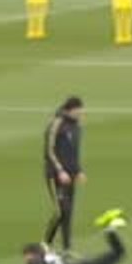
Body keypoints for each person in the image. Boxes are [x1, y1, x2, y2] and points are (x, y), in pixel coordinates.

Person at [44, 95, 86, 252]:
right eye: (78, 110)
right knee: (60, 210)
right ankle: (46, 243)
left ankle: (67, 248)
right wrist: (60, 171)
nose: (80, 113)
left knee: (68, 212)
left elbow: (73, 152)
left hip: (71, 176)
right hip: (55, 175)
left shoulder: (77, 126)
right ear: (70, 110)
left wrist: (78, 171)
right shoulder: (57, 124)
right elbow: (49, 150)